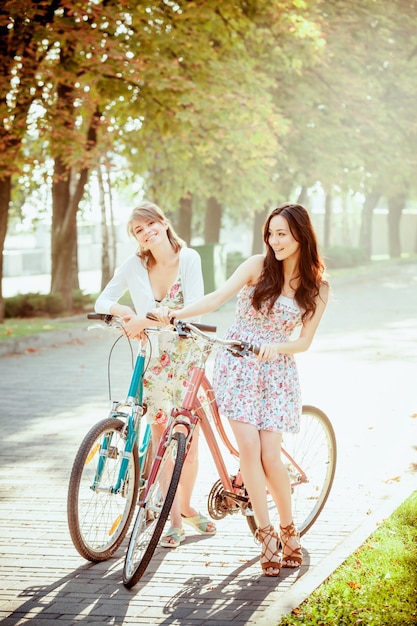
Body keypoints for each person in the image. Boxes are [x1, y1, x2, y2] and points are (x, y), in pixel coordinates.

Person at [154, 202, 329, 576]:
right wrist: (176, 314)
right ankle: (265, 535)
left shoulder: (317, 286)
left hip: (276, 372)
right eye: (271, 232)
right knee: (249, 448)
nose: (274, 240)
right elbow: (216, 298)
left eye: (282, 233)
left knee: (271, 455)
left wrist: (275, 347)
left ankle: (289, 529)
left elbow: (304, 342)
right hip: (236, 365)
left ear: (301, 235)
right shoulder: (256, 267)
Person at [95, 200, 216, 548]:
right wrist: (125, 312)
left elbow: (191, 309)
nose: (146, 233)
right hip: (153, 359)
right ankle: (174, 519)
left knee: (186, 443)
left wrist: (142, 321)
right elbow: (103, 300)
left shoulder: (188, 258)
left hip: (185, 358)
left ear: (164, 223)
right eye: (138, 230)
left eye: (150, 225)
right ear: (137, 238)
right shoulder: (135, 264)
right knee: (162, 439)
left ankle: (185, 508)